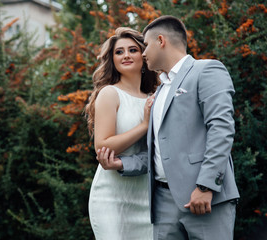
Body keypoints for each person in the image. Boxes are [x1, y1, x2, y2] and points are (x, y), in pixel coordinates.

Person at [97, 15, 240, 240]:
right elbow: (161, 153)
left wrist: (206, 186)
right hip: (162, 205)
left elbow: (221, 130)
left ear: (161, 41)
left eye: (145, 46)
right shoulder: (159, 91)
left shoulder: (207, 70)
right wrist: (123, 163)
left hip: (204, 199)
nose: (143, 54)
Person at [85, 27, 159, 240]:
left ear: (143, 56)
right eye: (119, 52)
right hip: (112, 197)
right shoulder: (109, 93)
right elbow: (103, 147)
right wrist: (144, 125)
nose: (126, 55)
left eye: (132, 50)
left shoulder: (154, 96)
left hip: (147, 197)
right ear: (113, 60)